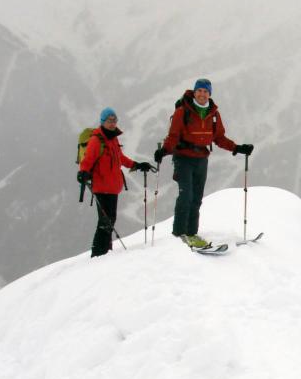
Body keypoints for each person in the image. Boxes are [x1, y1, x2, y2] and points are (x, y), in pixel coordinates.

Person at [154, 79, 253, 248]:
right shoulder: (182, 111)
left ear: (210, 94)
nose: (202, 94)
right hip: (183, 158)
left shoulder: (213, 114)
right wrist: (164, 150)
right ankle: (179, 234)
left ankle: (192, 233)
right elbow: (174, 135)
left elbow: (219, 138)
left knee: (197, 198)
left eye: (205, 91)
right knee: (186, 196)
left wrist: (237, 148)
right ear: (194, 92)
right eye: (199, 90)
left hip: (201, 159)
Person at [78, 107, 156, 257]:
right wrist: (83, 172)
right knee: (106, 221)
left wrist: (137, 165)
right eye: (109, 120)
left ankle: (105, 252)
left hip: (112, 188)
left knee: (109, 220)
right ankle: (98, 254)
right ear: (102, 121)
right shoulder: (96, 140)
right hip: (101, 187)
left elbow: (120, 158)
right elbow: (88, 160)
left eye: (114, 120)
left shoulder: (113, 139)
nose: (113, 123)